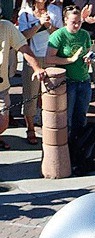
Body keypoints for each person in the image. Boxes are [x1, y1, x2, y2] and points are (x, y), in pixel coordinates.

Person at [45, 5, 94, 141]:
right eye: (73, 22)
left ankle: (79, 146)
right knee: (67, 119)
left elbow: (89, 51)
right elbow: (49, 58)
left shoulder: (84, 34)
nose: (77, 25)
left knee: (81, 117)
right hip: (68, 82)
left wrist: (89, 57)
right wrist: (70, 59)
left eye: (79, 22)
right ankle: (66, 149)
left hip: (84, 80)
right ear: (65, 20)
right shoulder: (58, 35)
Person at [1, 8, 48, 149]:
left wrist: (37, 68)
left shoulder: (6, 27)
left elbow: (24, 47)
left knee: (3, 122)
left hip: (1, 87)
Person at [63, 0, 95, 134]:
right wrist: (82, 19)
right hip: (75, 45)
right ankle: (72, 131)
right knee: (74, 88)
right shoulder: (72, 1)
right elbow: (65, 20)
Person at [18, 0, 62, 144]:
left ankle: (49, 126)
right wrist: (39, 24)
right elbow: (23, 36)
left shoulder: (54, 10)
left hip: (51, 56)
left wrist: (49, 25)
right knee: (30, 95)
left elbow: (61, 33)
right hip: (32, 57)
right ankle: (30, 129)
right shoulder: (25, 13)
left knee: (51, 94)